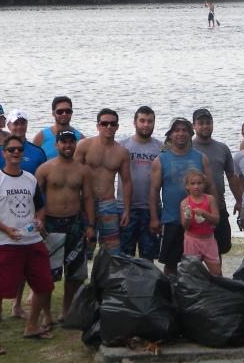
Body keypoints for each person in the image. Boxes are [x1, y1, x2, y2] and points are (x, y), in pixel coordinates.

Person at [0, 135, 55, 355]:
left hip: (33, 241)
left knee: (44, 285)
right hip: (7, 243)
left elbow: (40, 206)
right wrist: (4, 229)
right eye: (11, 150)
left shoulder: (30, 179)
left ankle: (31, 326)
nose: (15, 153)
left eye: (19, 150)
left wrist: (39, 220)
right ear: (3, 153)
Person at [35, 130, 95, 323]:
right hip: (51, 223)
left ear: (75, 144)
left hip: (75, 223)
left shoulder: (82, 170)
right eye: (64, 142)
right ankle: (46, 314)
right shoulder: (44, 169)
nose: (67, 145)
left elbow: (87, 198)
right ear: (56, 145)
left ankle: (67, 309)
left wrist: (91, 225)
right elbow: (35, 200)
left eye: (71, 142)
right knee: (48, 273)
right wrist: (38, 221)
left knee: (75, 271)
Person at [150, 118, 214, 274]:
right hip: (172, 219)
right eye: (176, 130)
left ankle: (196, 294)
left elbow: (211, 187)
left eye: (184, 130)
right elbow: (153, 190)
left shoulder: (201, 158)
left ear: (191, 133)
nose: (180, 133)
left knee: (198, 264)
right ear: (170, 135)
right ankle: (171, 294)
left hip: (198, 221)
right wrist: (154, 218)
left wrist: (213, 215)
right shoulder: (161, 160)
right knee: (171, 264)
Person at [75, 108, 131, 257]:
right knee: (84, 246)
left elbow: (126, 182)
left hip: (108, 203)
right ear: (98, 126)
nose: (109, 127)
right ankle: (81, 278)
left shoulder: (122, 152)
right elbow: (73, 176)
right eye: (104, 123)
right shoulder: (84, 146)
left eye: (113, 124)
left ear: (117, 126)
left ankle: (109, 278)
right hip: (86, 202)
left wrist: (126, 209)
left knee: (112, 247)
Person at [192, 108, 241, 256]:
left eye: (208, 122)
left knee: (221, 248)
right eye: (201, 123)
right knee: (196, 251)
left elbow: (232, 177)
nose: (205, 126)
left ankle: (216, 278)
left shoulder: (222, 148)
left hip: (218, 205)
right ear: (194, 126)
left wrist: (239, 200)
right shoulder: (187, 147)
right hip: (195, 207)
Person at [118, 106, 161, 260]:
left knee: (148, 258)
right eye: (142, 121)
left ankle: (148, 285)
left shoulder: (161, 147)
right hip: (125, 208)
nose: (145, 124)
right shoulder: (122, 146)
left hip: (152, 209)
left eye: (149, 121)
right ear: (134, 122)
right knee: (124, 256)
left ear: (154, 123)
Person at [180, 169, 222, 275]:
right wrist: (188, 218)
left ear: (204, 184)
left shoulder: (210, 199)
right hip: (192, 240)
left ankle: (218, 290)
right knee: (192, 273)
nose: (196, 186)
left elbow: (216, 220)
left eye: (199, 183)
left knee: (216, 272)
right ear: (187, 186)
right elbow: (185, 226)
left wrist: (204, 214)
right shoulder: (185, 203)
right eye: (192, 184)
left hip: (208, 240)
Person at [0, 109, 47, 176]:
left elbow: (44, 180)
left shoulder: (38, 152)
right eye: (16, 124)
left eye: (23, 123)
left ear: (27, 125)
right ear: (8, 126)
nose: (19, 127)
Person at [32, 96, 84, 160]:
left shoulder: (81, 139)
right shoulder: (41, 137)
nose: (64, 114)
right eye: (60, 112)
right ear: (53, 113)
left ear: (71, 113)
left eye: (68, 111)